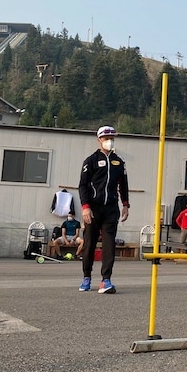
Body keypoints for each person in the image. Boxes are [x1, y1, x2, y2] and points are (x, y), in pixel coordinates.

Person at [77, 125, 130, 294]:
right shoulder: (91, 160)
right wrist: (85, 207)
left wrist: (126, 205)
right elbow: (83, 185)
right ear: (99, 139)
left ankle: (106, 280)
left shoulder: (119, 161)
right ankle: (86, 277)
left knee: (109, 245)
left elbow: (124, 185)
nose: (109, 141)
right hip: (93, 209)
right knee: (89, 243)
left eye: (112, 138)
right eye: (106, 138)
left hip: (111, 209)